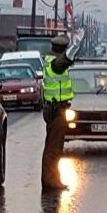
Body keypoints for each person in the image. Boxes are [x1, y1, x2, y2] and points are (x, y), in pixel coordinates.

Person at [41, 34, 76, 192]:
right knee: (54, 148)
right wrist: (75, 48)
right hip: (56, 109)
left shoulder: (50, 60)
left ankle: (54, 178)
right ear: (62, 49)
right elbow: (63, 63)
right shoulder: (55, 63)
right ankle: (50, 180)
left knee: (55, 147)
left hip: (55, 108)